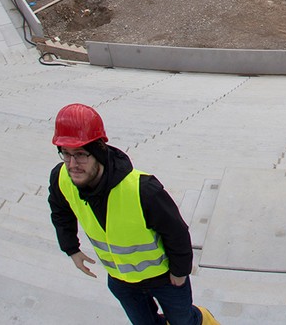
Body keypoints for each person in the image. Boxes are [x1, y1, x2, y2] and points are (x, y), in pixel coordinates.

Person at [47, 104, 216, 325]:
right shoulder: (61, 178)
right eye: (65, 154)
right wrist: (70, 247)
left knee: (183, 321)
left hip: (165, 279)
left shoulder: (142, 189)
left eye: (80, 154)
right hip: (121, 280)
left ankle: (202, 317)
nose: (72, 165)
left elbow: (177, 233)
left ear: (98, 151)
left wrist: (180, 272)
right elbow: (60, 211)